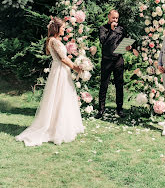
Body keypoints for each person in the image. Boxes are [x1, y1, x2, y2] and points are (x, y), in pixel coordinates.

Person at [15, 17, 84, 146]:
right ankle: (56, 128)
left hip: (59, 70)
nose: (64, 29)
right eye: (63, 27)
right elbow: (62, 59)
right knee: (60, 97)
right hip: (60, 71)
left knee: (61, 97)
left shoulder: (53, 40)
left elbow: (61, 57)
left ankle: (60, 124)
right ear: (57, 28)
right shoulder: (54, 41)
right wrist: (76, 68)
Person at [96, 10, 130, 119]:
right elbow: (103, 42)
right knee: (104, 85)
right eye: (113, 18)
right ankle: (101, 110)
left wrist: (128, 47)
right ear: (108, 17)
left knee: (119, 85)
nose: (115, 20)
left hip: (118, 60)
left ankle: (119, 109)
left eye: (116, 18)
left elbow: (126, 41)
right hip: (106, 60)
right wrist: (111, 31)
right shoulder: (103, 29)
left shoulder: (121, 29)